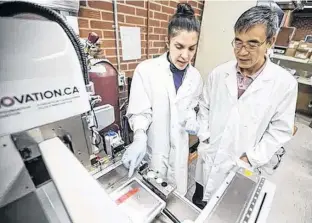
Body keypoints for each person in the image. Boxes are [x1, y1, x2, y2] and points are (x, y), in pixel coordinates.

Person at [192, 5, 298, 209]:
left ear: (270, 42)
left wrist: (251, 158)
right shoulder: (219, 73)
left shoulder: (284, 84)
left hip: (243, 165)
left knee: (227, 210)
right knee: (199, 203)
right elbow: (204, 107)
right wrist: (205, 137)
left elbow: (280, 130)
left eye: (252, 44)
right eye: (238, 42)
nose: (242, 52)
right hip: (209, 156)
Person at [122, 3, 203, 196]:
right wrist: (140, 136)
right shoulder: (147, 70)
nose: (185, 56)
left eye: (192, 48)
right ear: (168, 42)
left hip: (179, 152)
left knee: (176, 201)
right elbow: (140, 111)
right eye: (179, 46)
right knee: (151, 196)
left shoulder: (196, 77)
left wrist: (192, 117)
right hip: (154, 151)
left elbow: (192, 105)